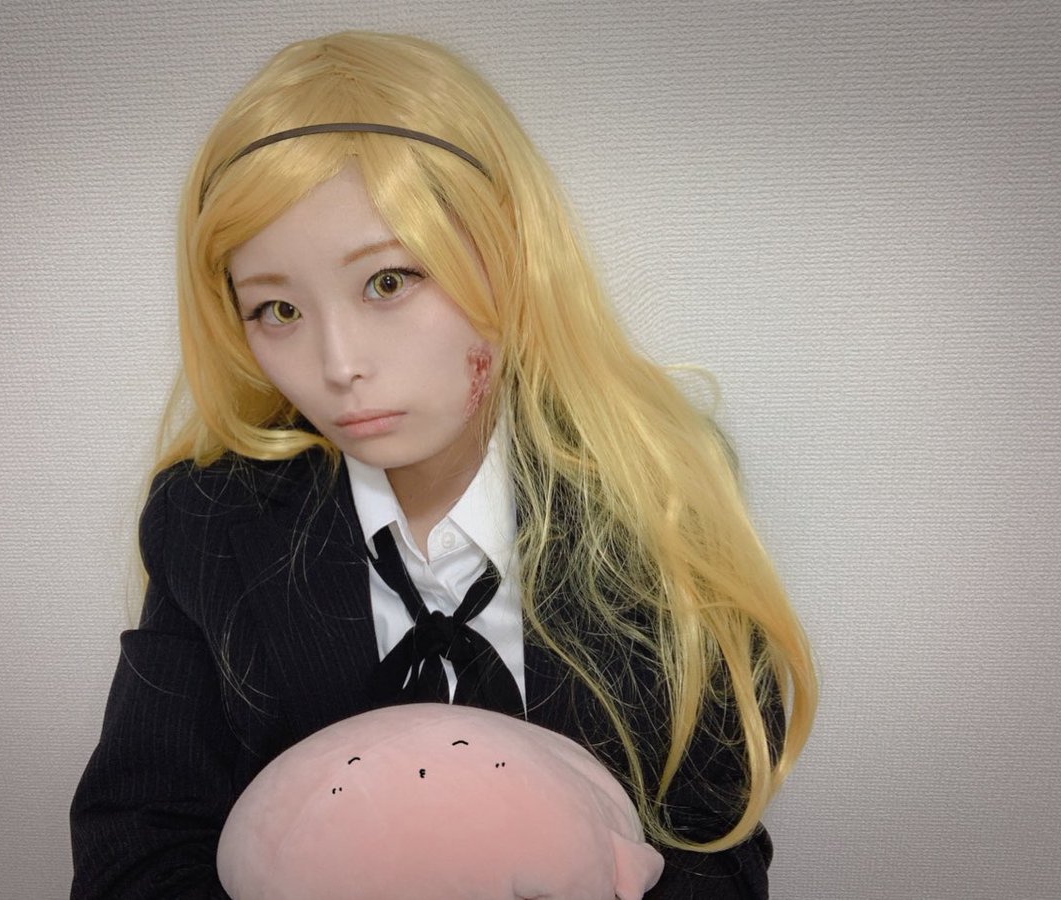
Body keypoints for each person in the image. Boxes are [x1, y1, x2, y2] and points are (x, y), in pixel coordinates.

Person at [70, 30, 817, 899]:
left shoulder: (657, 495)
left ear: (511, 253)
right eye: (278, 309)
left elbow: (713, 849)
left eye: (388, 282)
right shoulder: (212, 523)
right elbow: (138, 846)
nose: (339, 364)